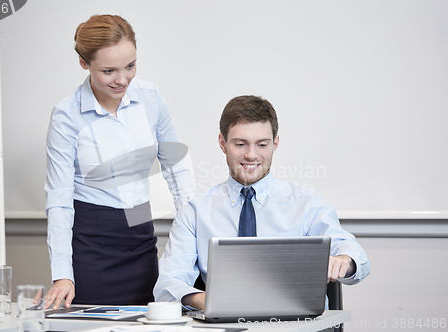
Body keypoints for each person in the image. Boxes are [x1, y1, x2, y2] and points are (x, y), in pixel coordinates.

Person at [153, 95, 370, 309]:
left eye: (262, 144)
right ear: (222, 143)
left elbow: (356, 257)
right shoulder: (195, 210)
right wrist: (207, 301)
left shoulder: (306, 202)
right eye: (240, 144)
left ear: (275, 143)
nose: (251, 155)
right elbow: (167, 285)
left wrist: (345, 260)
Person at [43, 14, 195, 309]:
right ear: (84, 63)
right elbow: (59, 200)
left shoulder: (151, 97)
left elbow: (175, 166)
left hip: (140, 233)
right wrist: (62, 275)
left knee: (147, 322)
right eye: (109, 70)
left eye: (130, 66)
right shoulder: (66, 115)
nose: (122, 79)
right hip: (92, 241)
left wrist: (193, 229)